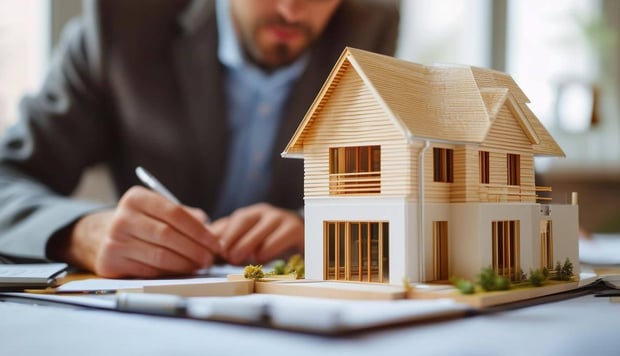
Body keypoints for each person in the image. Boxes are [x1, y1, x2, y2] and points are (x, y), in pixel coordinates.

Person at [0, 0, 399, 277]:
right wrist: (79, 233)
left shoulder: (369, 27)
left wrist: (315, 227)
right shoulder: (121, 22)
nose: (291, 11)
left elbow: (391, 196)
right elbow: (6, 178)